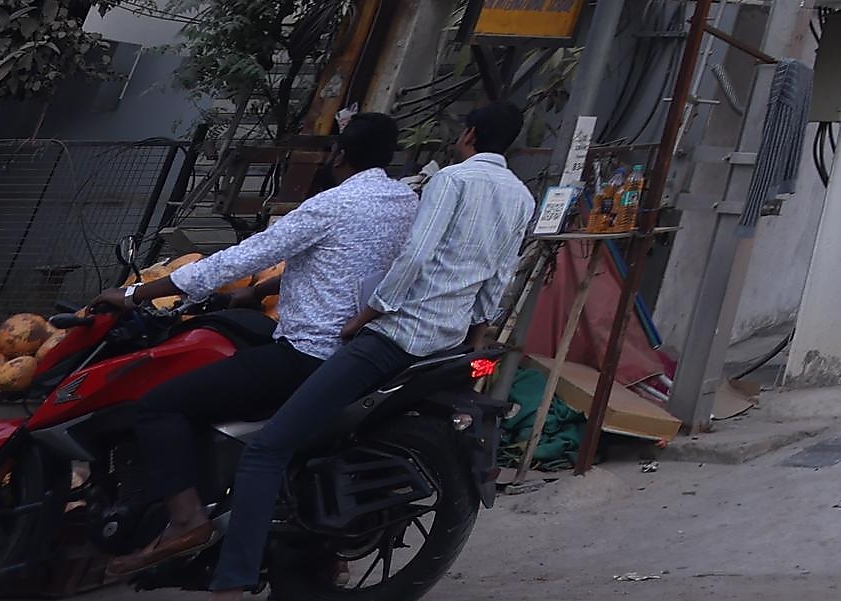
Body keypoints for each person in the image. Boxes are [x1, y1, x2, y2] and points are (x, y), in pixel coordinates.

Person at [197, 103, 534, 597]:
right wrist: (477, 335)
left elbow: (415, 255)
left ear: (469, 135)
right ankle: (315, 557)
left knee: (267, 448)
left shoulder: (451, 181)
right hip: (447, 341)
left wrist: (369, 314)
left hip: (397, 336)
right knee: (324, 434)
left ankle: (231, 581)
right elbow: (501, 274)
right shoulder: (521, 196)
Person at [110, 113, 418, 572]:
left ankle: (186, 519)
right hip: (360, 353)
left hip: (308, 353)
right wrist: (260, 291)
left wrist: (135, 293)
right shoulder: (406, 202)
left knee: (159, 405)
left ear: (339, 155)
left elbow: (240, 258)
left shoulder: (333, 204)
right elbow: (343, 264)